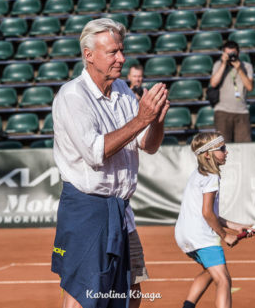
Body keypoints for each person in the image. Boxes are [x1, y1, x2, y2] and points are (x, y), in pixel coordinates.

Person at [51, 18, 170, 308]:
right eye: (113, 52)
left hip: (120, 210)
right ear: (88, 55)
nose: (122, 58)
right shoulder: (73, 95)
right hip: (87, 211)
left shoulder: (123, 92)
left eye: (121, 50)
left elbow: (148, 145)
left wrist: (156, 122)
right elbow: (94, 152)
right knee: (83, 295)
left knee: (130, 292)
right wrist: (141, 118)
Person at [174, 132, 252, 308]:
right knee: (223, 280)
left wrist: (236, 227)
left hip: (184, 234)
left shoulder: (198, 174)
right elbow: (207, 213)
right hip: (200, 236)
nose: (226, 152)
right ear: (208, 154)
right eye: (222, 149)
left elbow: (210, 214)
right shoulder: (212, 177)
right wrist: (225, 236)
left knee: (210, 271)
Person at [209, 41, 253, 143]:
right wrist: (224, 63)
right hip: (222, 111)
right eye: (228, 54)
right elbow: (213, 83)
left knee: (244, 148)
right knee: (222, 147)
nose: (231, 56)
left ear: (238, 53)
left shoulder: (247, 66)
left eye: (233, 53)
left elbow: (250, 87)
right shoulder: (218, 65)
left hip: (242, 112)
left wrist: (239, 69)